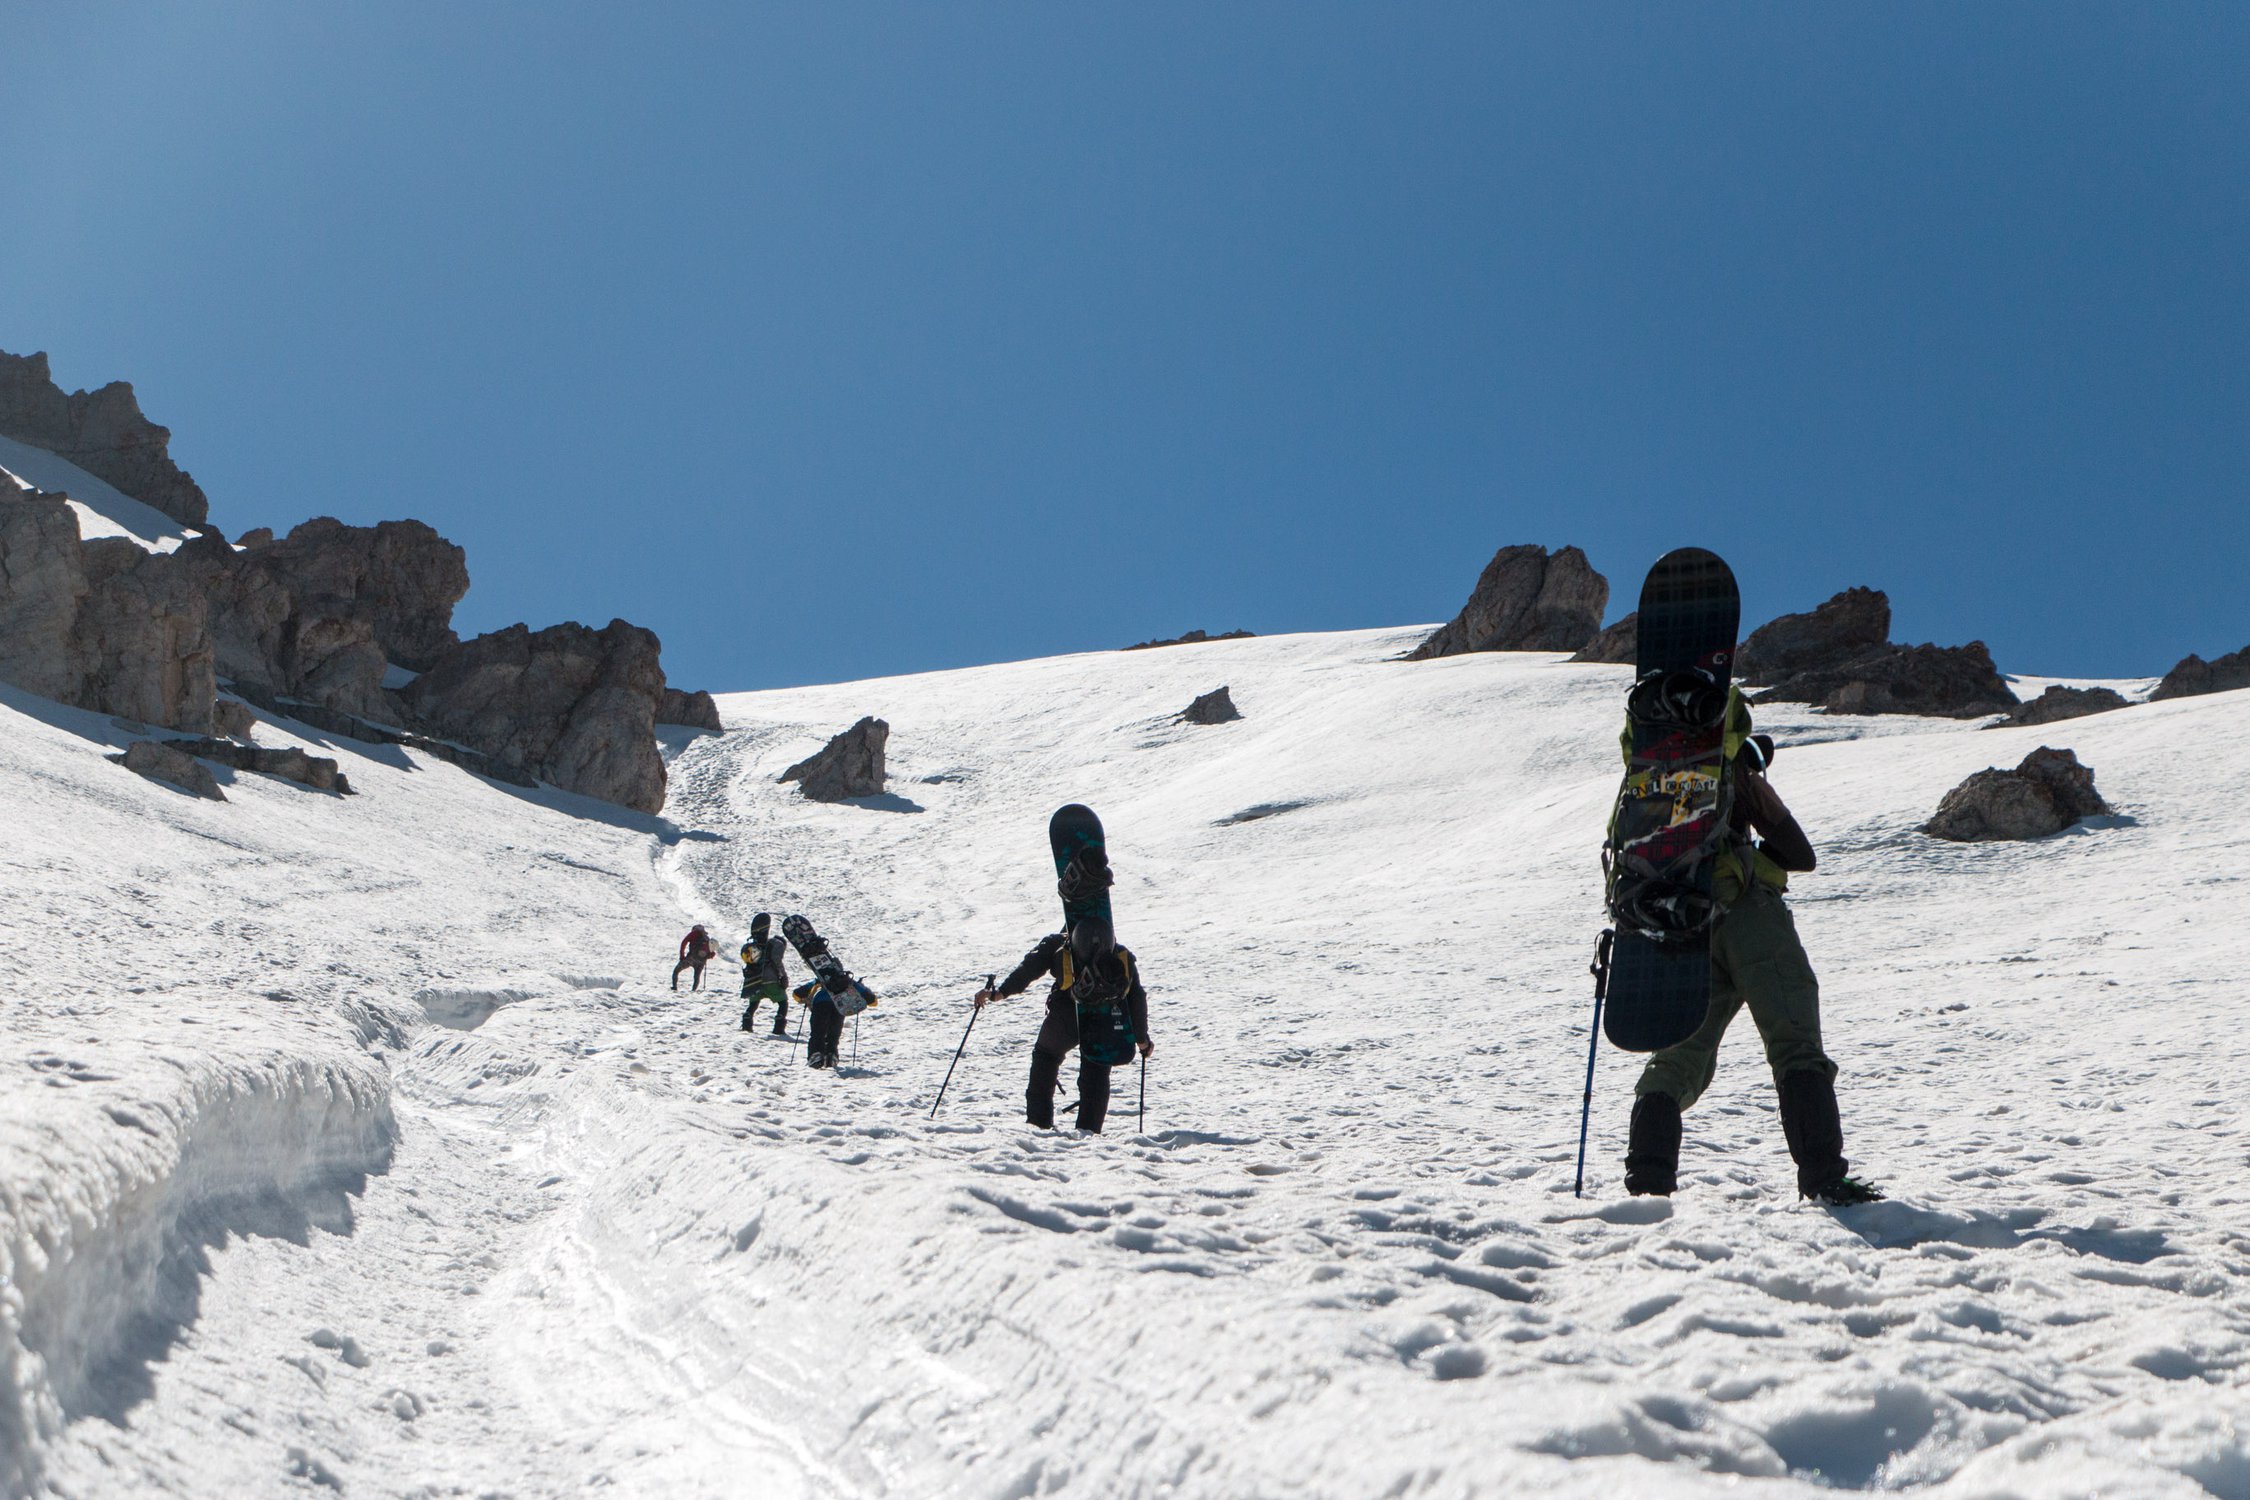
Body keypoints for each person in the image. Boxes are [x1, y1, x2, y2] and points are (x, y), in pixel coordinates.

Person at [1625, 731, 1883, 1205]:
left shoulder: (1651, 785)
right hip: (1749, 911)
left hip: (1686, 923)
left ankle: (1647, 1186)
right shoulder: (1736, 774)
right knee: (1794, 1041)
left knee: (1677, 1059)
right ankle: (1824, 1178)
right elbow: (1801, 855)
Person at [976, 917, 1153, 1132]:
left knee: (1045, 1058)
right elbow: (1136, 997)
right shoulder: (1120, 954)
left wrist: (999, 993)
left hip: (1064, 1017)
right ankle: (1089, 1132)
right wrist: (1142, 1040)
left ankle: (1038, 1125)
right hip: (1102, 1019)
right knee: (1096, 1073)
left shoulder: (1059, 944)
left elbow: (1029, 969)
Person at [739, 913, 791, 1034]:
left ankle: (746, 1023)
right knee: (783, 1003)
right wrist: (783, 977)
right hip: (770, 979)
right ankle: (779, 1027)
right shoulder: (774, 945)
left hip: (754, 980)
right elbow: (777, 962)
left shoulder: (752, 946)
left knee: (753, 1004)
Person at [672, 924, 716, 992]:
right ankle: (693, 990)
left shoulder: (694, 933)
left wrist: (682, 956)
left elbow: (684, 942)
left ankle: (674, 987)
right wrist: (706, 956)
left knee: (676, 971)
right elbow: (712, 953)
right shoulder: (706, 938)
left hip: (691, 958)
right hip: (702, 961)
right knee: (696, 976)